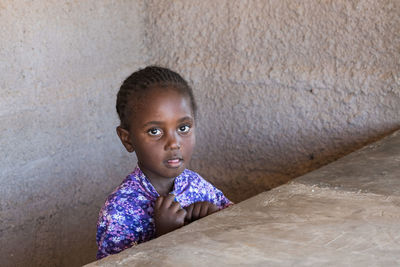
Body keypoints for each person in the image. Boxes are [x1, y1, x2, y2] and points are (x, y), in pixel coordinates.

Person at [96, 66, 233, 259]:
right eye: (155, 131)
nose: (174, 143)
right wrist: (165, 238)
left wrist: (215, 218)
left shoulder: (196, 184)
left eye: (183, 128)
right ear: (127, 139)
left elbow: (239, 231)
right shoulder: (119, 209)